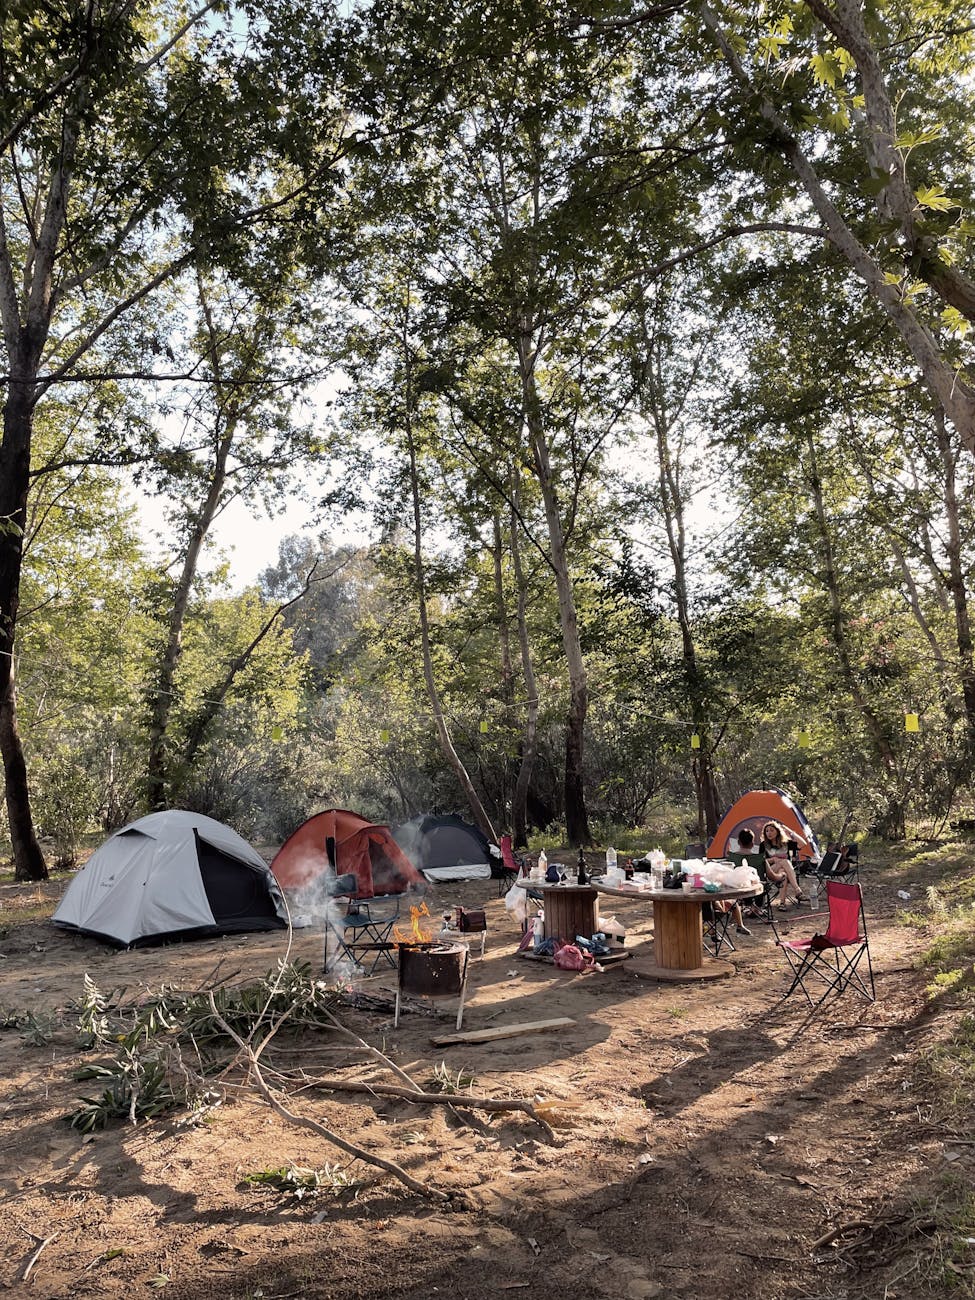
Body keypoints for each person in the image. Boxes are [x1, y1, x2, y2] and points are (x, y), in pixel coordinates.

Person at [760, 821, 804, 909]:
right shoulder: (763, 845)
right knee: (785, 862)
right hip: (771, 871)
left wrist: (790, 832)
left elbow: (803, 844)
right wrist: (772, 859)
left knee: (783, 873)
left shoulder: (785, 843)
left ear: (777, 831)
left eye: (771, 830)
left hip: (784, 871)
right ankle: (797, 889)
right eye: (767, 831)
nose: (769, 833)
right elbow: (761, 861)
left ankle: (782, 903)